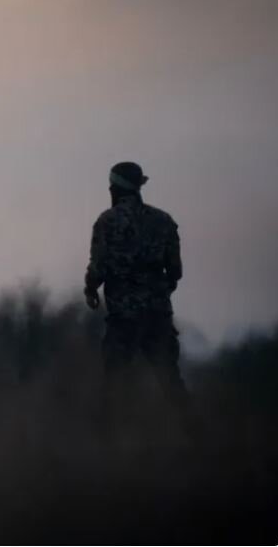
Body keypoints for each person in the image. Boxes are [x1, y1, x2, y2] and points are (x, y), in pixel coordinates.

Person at [84, 162, 190, 428]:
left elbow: (98, 267)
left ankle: (107, 445)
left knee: (115, 382)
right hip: (158, 315)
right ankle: (199, 436)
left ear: (114, 188)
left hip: (123, 318)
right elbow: (175, 271)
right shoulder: (164, 221)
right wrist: (160, 292)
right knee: (170, 380)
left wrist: (91, 289)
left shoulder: (107, 222)